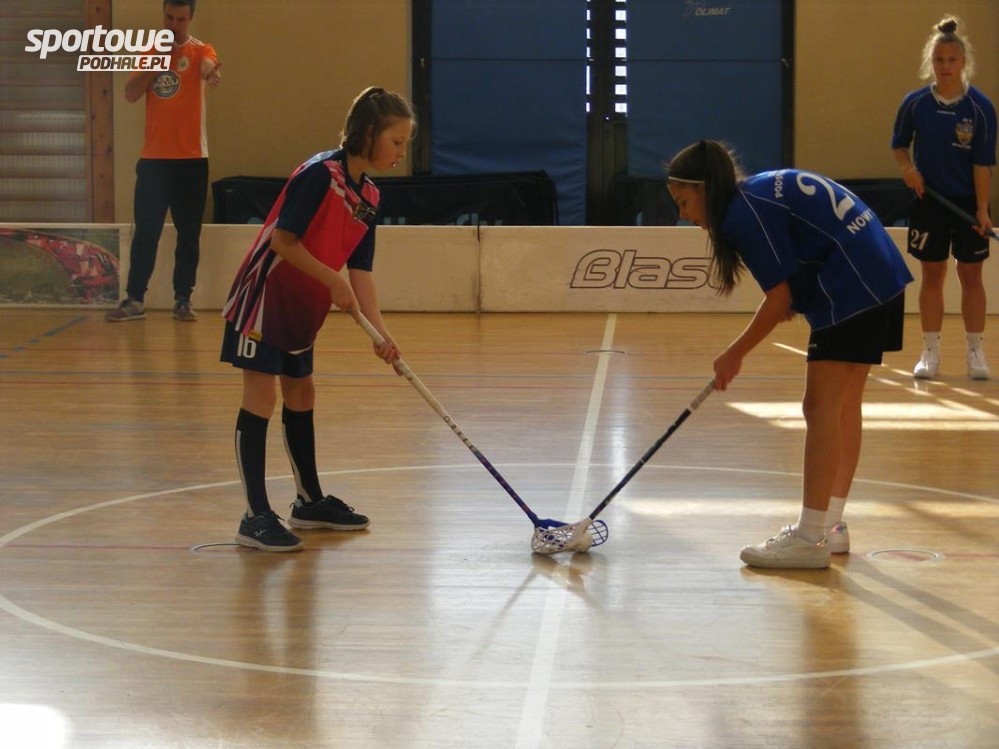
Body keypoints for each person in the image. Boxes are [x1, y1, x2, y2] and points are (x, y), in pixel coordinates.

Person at [666, 140, 913, 570]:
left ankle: (809, 537)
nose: (684, 215)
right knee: (842, 406)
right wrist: (792, 298)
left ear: (706, 189)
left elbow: (779, 299)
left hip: (853, 284)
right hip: (881, 273)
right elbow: (793, 280)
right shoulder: (758, 192)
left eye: (684, 202)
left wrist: (734, 353)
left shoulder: (743, 213)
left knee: (820, 407)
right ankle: (830, 525)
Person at [221, 87, 414, 552]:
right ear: (369, 133)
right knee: (261, 396)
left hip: (303, 308)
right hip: (264, 297)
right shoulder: (319, 174)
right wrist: (332, 279)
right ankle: (254, 516)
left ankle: (308, 502)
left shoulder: (369, 196)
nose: (401, 153)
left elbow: (361, 273)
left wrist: (381, 335)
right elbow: (283, 242)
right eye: (396, 141)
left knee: (302, 392)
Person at [891, 16, 997, 380]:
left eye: (952, 60)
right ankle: (930, 352)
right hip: (929, 202)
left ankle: (975, 352)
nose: (945, 66)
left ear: (963, 62)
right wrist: (908, 169)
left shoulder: (981, 108)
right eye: (939, 60)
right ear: (930, 62)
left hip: (967, 203)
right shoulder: (915, 103)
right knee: (932, 275)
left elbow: (983, 164)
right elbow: (899, 145)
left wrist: (982, 210)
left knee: (971, 276)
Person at [106, 0, 222, 323]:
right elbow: (131, 93)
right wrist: (156, 62)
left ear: (190, 19)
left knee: (188, 234)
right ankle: (135, 299)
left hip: (192, 161)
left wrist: (211, 73)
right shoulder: (149, 52)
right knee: (146, 232)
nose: (174, 25)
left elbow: (207, 66)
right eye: (169, 18)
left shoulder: (201, 50)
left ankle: (183, 299)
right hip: (154, 162)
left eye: (181, 19)